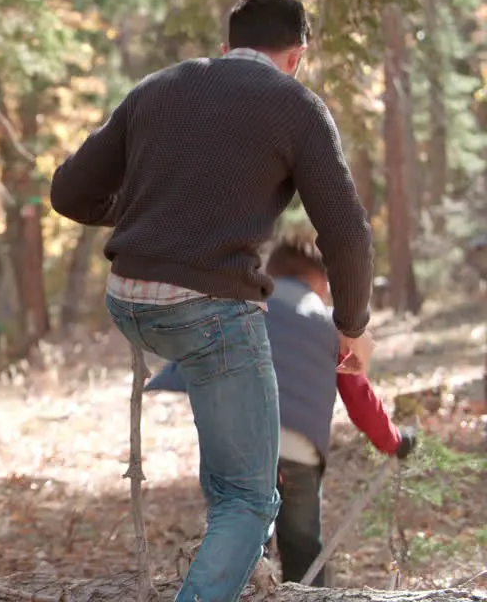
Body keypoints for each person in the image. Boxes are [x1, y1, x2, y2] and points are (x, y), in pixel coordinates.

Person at [49, 0, 376, 602]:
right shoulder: (296, 105)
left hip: (131, 301)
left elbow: (68, 193)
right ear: (296, 56)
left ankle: (227, 556)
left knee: (233, 471)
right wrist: (352, 324)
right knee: (251, 500)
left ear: (226, 49)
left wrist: (144, 218)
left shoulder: (158, 87)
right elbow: (346, 231)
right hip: (208, 311)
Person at [146, 230, 417, 587]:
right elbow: (359, 397)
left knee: (240, 541)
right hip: (299, 453)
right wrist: (394, 440)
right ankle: (308, 594)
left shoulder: (242, 308)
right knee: (304, 547)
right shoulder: (329, 324)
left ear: (270, 273)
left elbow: (202, 355)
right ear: (321, 281)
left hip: (240, 446)